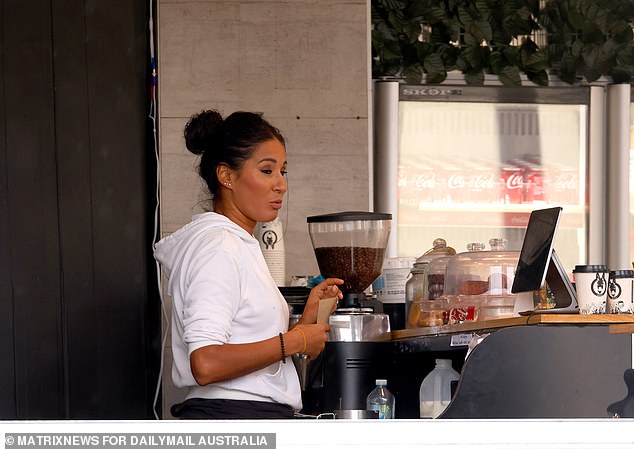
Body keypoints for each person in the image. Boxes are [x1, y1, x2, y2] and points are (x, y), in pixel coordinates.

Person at [154, 110, 343, 419]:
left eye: (283, 171)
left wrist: (302, 327)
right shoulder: (220, 248)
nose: (281, 184)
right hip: (232, 420)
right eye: (267, 171)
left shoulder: (237, 244)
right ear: (227, 176)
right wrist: (295, 340)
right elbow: (206, 363)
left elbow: (247, 348)